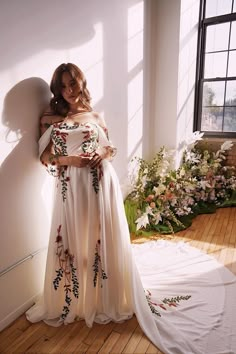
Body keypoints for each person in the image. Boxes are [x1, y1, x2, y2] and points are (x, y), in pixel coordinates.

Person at [26, 63, 236, 354]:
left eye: (73, 83)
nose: (70, 90)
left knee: (99, 239)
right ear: (57, 90)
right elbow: (45, 157)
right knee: (74, 239)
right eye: (63, 86)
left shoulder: (96, 115)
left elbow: (110, 148)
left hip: (100, 183)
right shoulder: (50, 118)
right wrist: (70, 161)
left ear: (80, 82)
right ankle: (76, 298)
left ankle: (102, 297)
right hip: (71, 188)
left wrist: (102, 151)